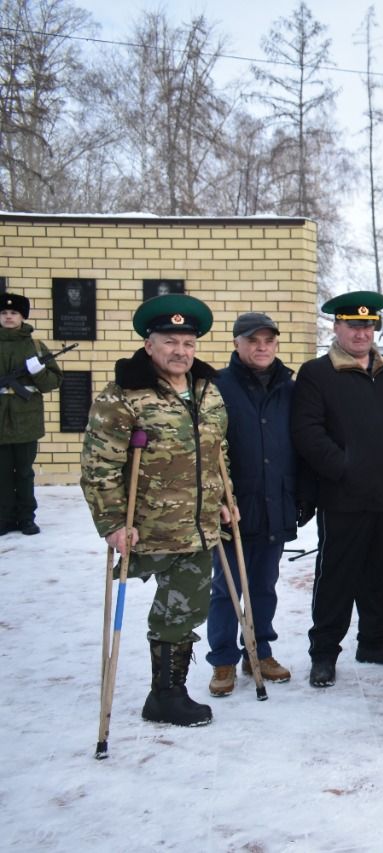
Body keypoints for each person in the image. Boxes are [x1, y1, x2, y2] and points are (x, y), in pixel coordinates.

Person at [80, 294, 231, 727]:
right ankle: (166, 693)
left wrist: (226, 500)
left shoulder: (207, 391)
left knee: (184, 608)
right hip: (146, 524)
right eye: (170, 341)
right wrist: (110, 522)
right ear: (149, 346)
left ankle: (167, 694)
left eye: (188, 342)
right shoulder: (124, 396)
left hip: (198, 525)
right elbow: (99, 465)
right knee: (175, 609)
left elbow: (221, 453)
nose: (180, 351)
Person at [291, 291, 383, 688]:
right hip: (343, 497)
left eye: (368, 325)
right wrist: (344, 467)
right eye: (353, 326)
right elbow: (308, 433)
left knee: (382, 573)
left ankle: (374, 642)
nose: (362, 333)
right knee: (336, 578)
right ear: (336, 327)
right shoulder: (317, 373)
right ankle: (324, 652)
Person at [206, 312, 295, 696]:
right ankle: (223, 658)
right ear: (237, 344)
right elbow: (207, 448)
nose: (262, 348)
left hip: (276, 499)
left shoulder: (289, 387)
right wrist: (217, 499)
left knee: (264, 584)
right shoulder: (217, 387)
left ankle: (259, 651)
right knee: (228, 586)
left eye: (268, 341)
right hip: (233, 504)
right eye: (253, 340)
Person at [0, 291, 62, 536]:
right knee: (2, 472)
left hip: (26, 417)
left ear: (22, 316)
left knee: (24, 471)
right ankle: (4, 518)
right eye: (3, 313)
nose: (8, 317)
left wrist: (37, 371)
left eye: (13, 313)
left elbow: (52, 382)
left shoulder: (35, 346)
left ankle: (27, 518)